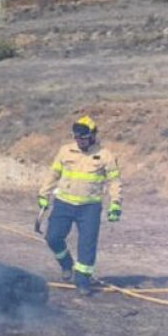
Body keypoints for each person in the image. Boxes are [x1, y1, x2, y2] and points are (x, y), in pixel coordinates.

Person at [37, 115, 123, 295]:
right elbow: (53, 174)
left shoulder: (105, 155)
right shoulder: (65, 151)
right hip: (64, 203)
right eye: (77, 138)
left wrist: (115, 203)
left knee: (87, 245)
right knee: (53, 237)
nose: (80, 141)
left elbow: (114, 181)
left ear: (92, 136)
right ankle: (66, 264)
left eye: (83, 138)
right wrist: (43, 195)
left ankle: (83, 281)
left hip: (89, 207)